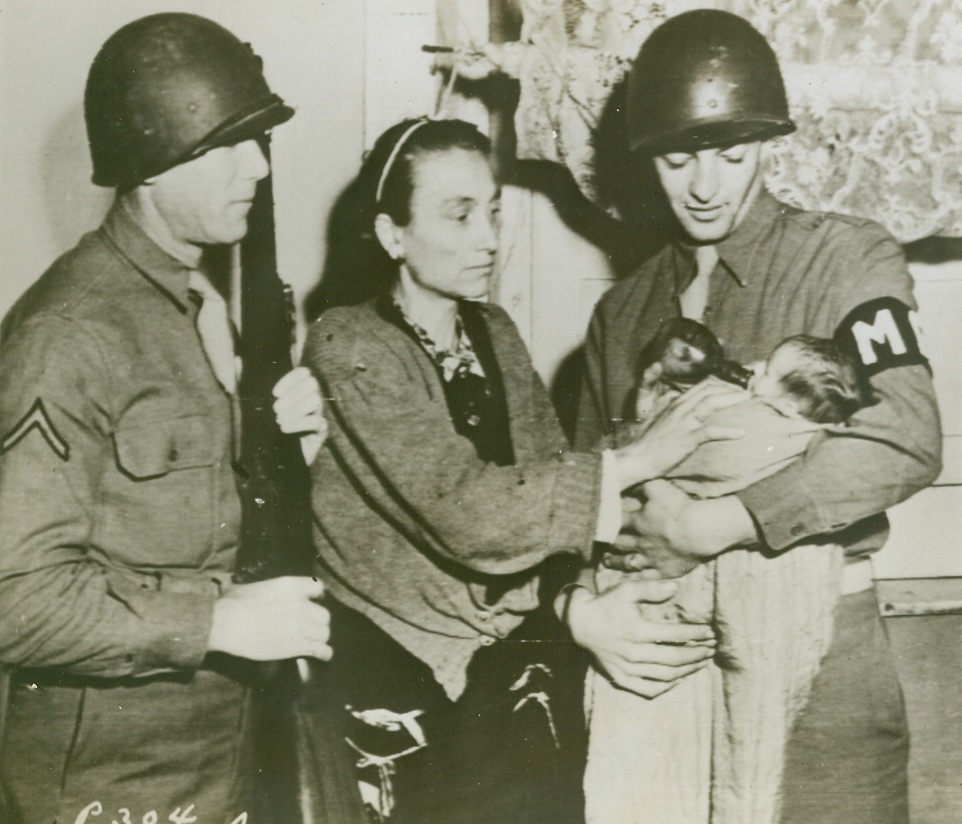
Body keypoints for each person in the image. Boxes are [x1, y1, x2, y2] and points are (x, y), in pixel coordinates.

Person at [301, 117, 744, 824]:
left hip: (503, 649)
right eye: (459, 214)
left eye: (495, 210)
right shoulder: (347, 342)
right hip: (397, 657)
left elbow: (548, 481)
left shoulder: (494, 332)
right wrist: (634, 459)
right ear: (392, 236)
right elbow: (468, 513)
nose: (488, 237)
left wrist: (578, 605)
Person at [576, 10, 942, 824]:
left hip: (822, 652)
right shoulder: (623, 313)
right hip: (663, 661)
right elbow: (576, 490)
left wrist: (725, 522)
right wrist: (582, 610)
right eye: (678, 160)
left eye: (731, 156)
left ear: (767, 145)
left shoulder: (846, 258)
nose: (705, 186)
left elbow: (906, 438)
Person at [0, 14, 333, 823]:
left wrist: (297, 453)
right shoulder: (68, 334)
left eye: (256, 141)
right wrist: (215, 620)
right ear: (148, 166)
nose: (256, 166)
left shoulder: (204, 303)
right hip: (111, 784)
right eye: (225, 147)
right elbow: (14, 596)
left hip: (231, 756)